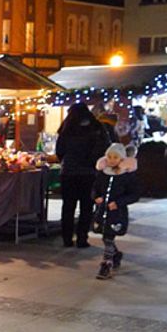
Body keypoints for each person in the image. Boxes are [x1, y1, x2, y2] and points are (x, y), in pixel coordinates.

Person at [55, 102, 110, 248]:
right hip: (89, 172)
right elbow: (106, 148)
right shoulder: (97, 127)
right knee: (86, 207)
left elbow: (59, 151)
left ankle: (67, 238)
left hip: (69, 172)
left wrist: (67, 162)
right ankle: (82, 238)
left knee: (68, 206)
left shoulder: (67, 128)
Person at [92, 143, 141, 280]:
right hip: (102, 211)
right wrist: (96, 197)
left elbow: (134, 194)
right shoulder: (103, 173)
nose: (112, 160)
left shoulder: (127, 175)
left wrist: (119, 203)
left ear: (121, 159)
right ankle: (116, 254)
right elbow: (95, 187)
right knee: (104, 236)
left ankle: (106, 264)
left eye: (115, 157)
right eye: (109, 156)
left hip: (116, 213)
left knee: (109, 237)